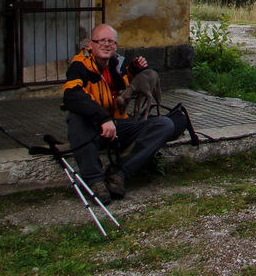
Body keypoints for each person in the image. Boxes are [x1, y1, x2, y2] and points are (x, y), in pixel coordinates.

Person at [61, 24, 185, 204]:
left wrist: (133, 70)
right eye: (101, 41)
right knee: (76, 117)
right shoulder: (79, 66)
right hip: (92, 128)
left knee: (164, 124)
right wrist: (102, 118)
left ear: (116, 45)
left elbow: (122, 87)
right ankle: (94, 181)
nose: (106, 45)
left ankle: (118, 174)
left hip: (117, 125)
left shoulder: (115, 63)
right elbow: (71, 96)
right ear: (90, 44)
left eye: (110, 41)